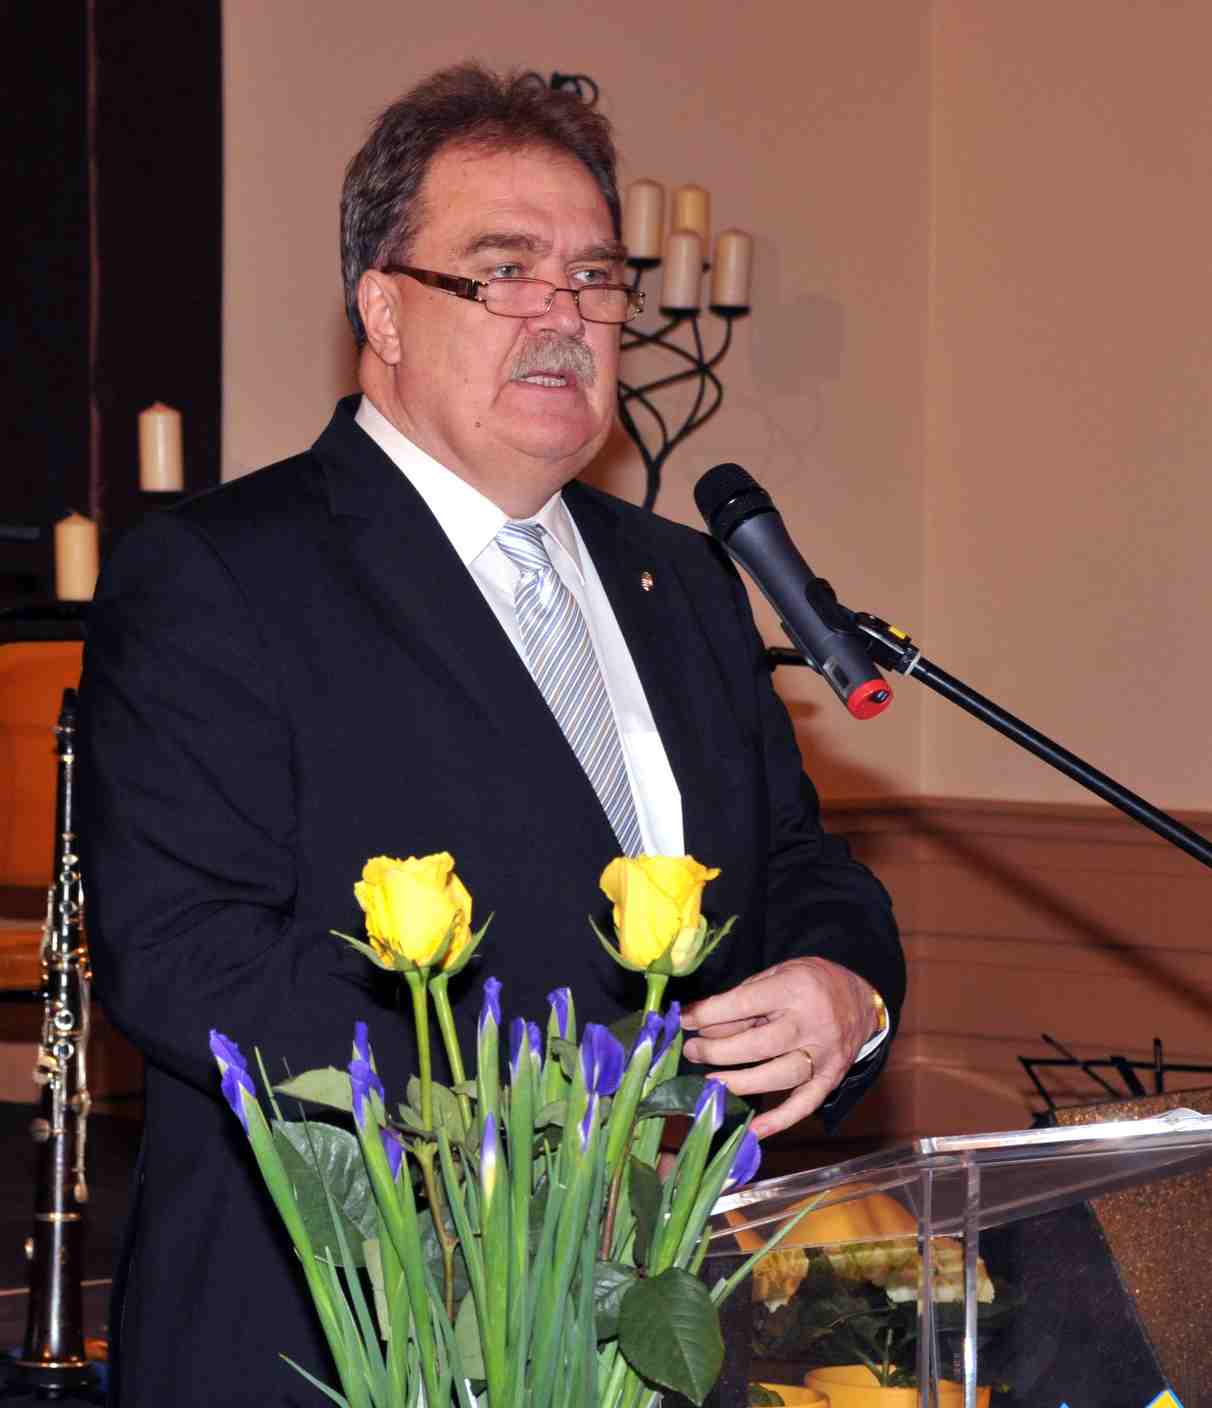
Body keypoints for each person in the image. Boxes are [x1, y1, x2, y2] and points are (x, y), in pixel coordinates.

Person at [79, 64, 903, 1408]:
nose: (564, 316)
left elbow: (795, 866)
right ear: (382, 310)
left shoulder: (682, 583)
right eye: (506, 271)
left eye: (595, 278)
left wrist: (845, 993)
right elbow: (187, 953)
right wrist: (535, 1142)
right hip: (344, 1331)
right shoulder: (224, 575)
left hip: (648, 1340)